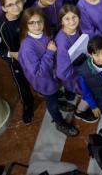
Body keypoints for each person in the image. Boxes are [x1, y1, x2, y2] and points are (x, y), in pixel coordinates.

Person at [18, 7, 79, 137]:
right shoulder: (27, 47)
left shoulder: (43, 34)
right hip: (45, 82)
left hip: (53, 75)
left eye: (39, 21)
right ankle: (59, 121)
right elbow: (38, 72)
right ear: (25, 25)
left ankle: (59, 102)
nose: (37, 26)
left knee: (56, 94)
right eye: (32, 23)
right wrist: (50, 52)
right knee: (51, 102)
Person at [0, 0, 34, 124]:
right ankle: (28, 106)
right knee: (22, 84)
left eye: (18, 2)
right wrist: (11, 54)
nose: (16, 7)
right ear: (4, 8)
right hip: (16, 61)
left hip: (33, 56)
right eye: (10, 5)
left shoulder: (27, 14)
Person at [54, 4, 97, 123]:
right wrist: (82, 73)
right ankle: (80, 111)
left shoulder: (76, 30)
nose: (72, 21)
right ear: (61, 21)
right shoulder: (62, 42)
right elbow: (62, 73)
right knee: (94, 88)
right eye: (67, 19)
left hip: (82, 67)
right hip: (75, 78)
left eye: (74, 17)